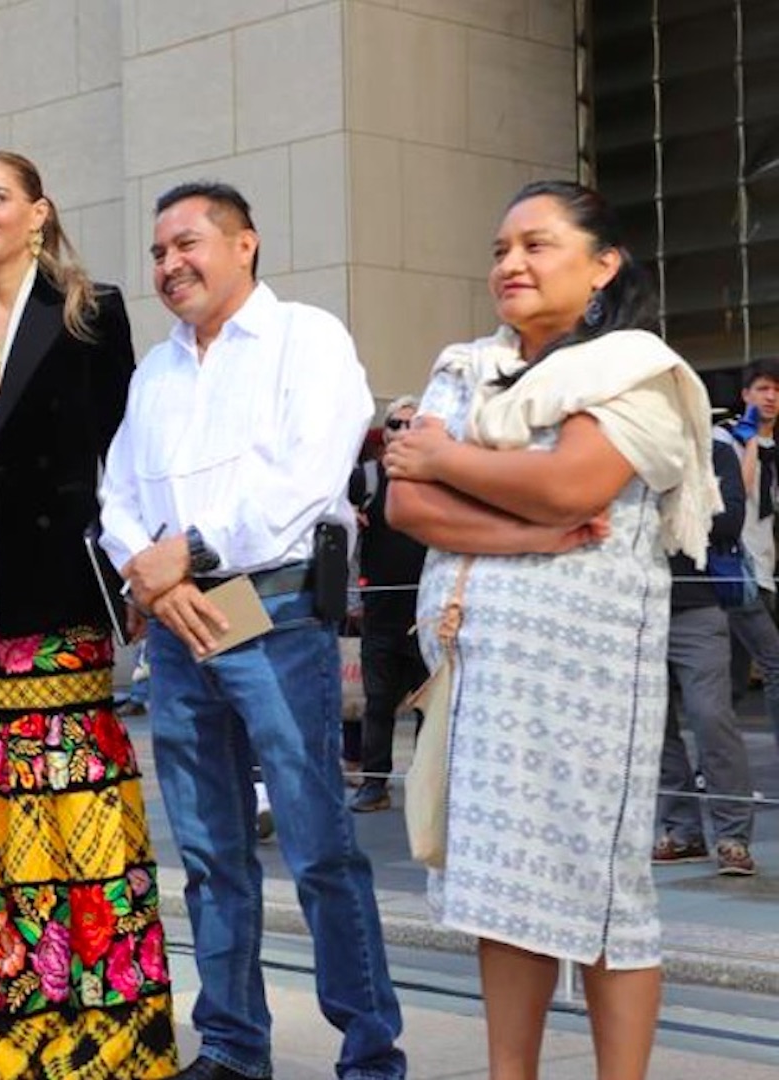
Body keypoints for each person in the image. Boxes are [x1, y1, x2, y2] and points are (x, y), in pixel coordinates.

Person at [384, 180, 720, 1080]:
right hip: (478, 675)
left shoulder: (634, 370)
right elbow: (409, 505)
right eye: (500, 249)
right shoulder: (467, 367)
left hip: (587, 680)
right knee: (501, 889)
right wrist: (528, 532)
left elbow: (572, 484)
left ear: (603, 265)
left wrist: (448, 457)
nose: (511, 264)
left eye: (536, 245)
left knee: (604, 893)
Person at [100, 181, 405, 1080]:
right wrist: (152, 572)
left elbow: (305, 479)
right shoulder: (154, 372)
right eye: (158, 252)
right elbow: (117, 494)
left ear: (245, 245)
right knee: (207, 852)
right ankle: (233, 1045)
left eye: (187, 244)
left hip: (272, 611)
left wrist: (186, 551)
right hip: (175, 624)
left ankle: (370, 1054)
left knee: (317, 845)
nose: (169, 265)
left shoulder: (306, 339)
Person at [0, 151, 176, 1079]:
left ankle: (97, 1037)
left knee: (70, 817)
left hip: (60, 602)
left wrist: (130, 576)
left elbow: (125, 455)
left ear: (38, 213)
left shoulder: (92, 311)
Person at [653, 428, 757, 876]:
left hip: (698, 604)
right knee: (654, 728)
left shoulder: (714, 452)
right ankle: (682, 832)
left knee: (711, 717)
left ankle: (733, 835)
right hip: (637, 604)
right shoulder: (629, 449)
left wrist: (663, 507)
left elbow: (729, 520)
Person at [347, 397, 429, 812]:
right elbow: (332, 520)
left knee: (428, 707)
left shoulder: (440, 479)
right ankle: (374, 784)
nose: (402, 431)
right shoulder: (366, 479)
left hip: (428, 616)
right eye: (395, 424)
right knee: (378, 704)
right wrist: (347, 513)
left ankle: (425, 786)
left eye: (412, 424)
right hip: (379, 615)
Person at [723, 358, 779, 743]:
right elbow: (735, 495)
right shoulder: (727, 438)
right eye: (762, 388)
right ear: (746, 395)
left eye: (777, 390)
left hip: (764, 570)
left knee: (732, 680)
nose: (771, 397)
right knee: (775, 664)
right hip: (737, 569)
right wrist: (750, 442)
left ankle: (710, 766)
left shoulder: (776, 451)